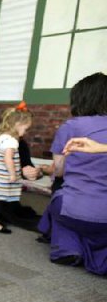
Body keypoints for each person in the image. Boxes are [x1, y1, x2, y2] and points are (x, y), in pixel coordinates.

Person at [38, 72, 107, 275]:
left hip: (74, 209)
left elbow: (58, 170)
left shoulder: (71, 127)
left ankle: (68, 248)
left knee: (59, 198)